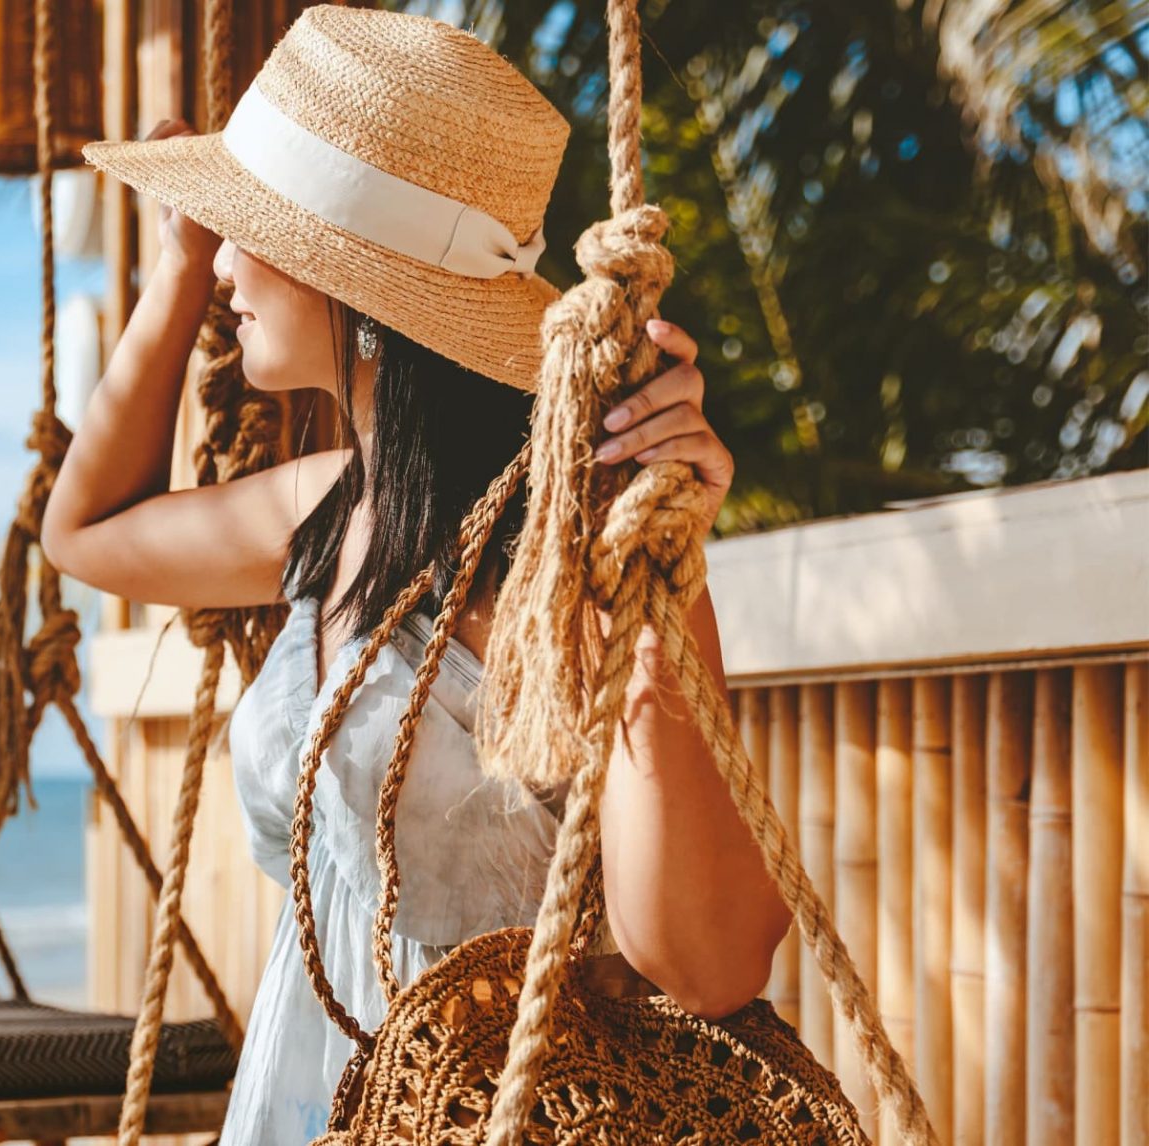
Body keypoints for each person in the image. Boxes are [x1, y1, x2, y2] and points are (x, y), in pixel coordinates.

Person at [44, 9, 788, 1140]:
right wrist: (181, 263)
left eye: (251, 231)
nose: (230, 263)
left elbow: (706, 963)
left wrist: (648, 560)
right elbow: (86, 531)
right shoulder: (336, 507)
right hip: (323, 1093)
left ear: (359, 290)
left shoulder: (570, 560)